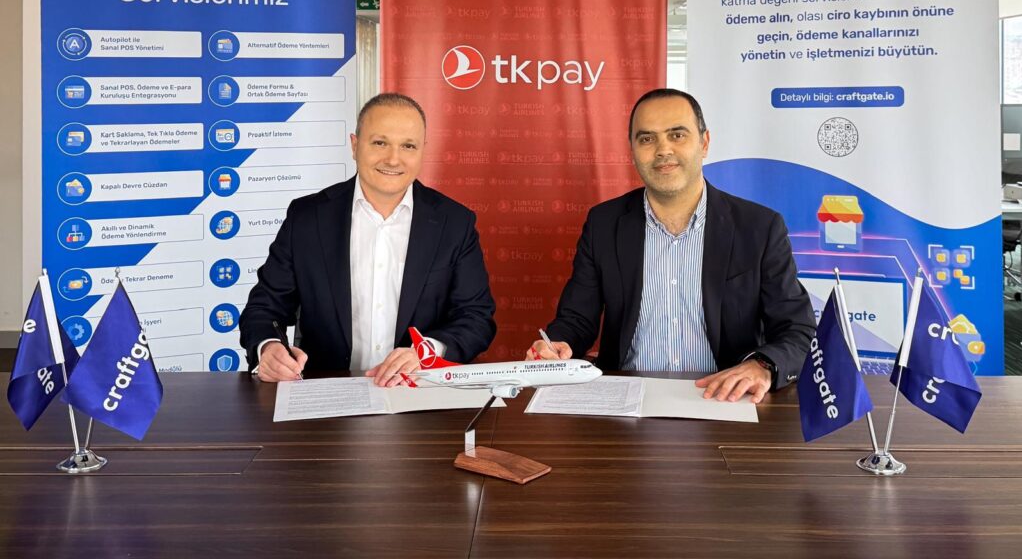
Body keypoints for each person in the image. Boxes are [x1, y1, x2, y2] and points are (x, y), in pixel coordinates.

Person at [527, 88, 814, 404]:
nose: (663, 149)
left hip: (724, 399)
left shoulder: (759, 227)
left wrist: (762, 366)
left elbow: (797, 329)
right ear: (633, 151)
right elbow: (576, 319)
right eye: (647, 139)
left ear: (704, 143)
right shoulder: (604, 224)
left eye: (677, 135)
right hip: (626, 400)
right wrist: (558, 345)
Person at [240, 93, 496, 384]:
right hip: (328, 392)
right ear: (354, 145)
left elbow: (476, 318)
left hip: (419, 391)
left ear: (423, 151)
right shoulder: (307, 218)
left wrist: (426, 353)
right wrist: (268, 348)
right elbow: (264, 307)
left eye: (408, 146)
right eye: (379, 143)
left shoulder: (455, 223)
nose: (393, 159)